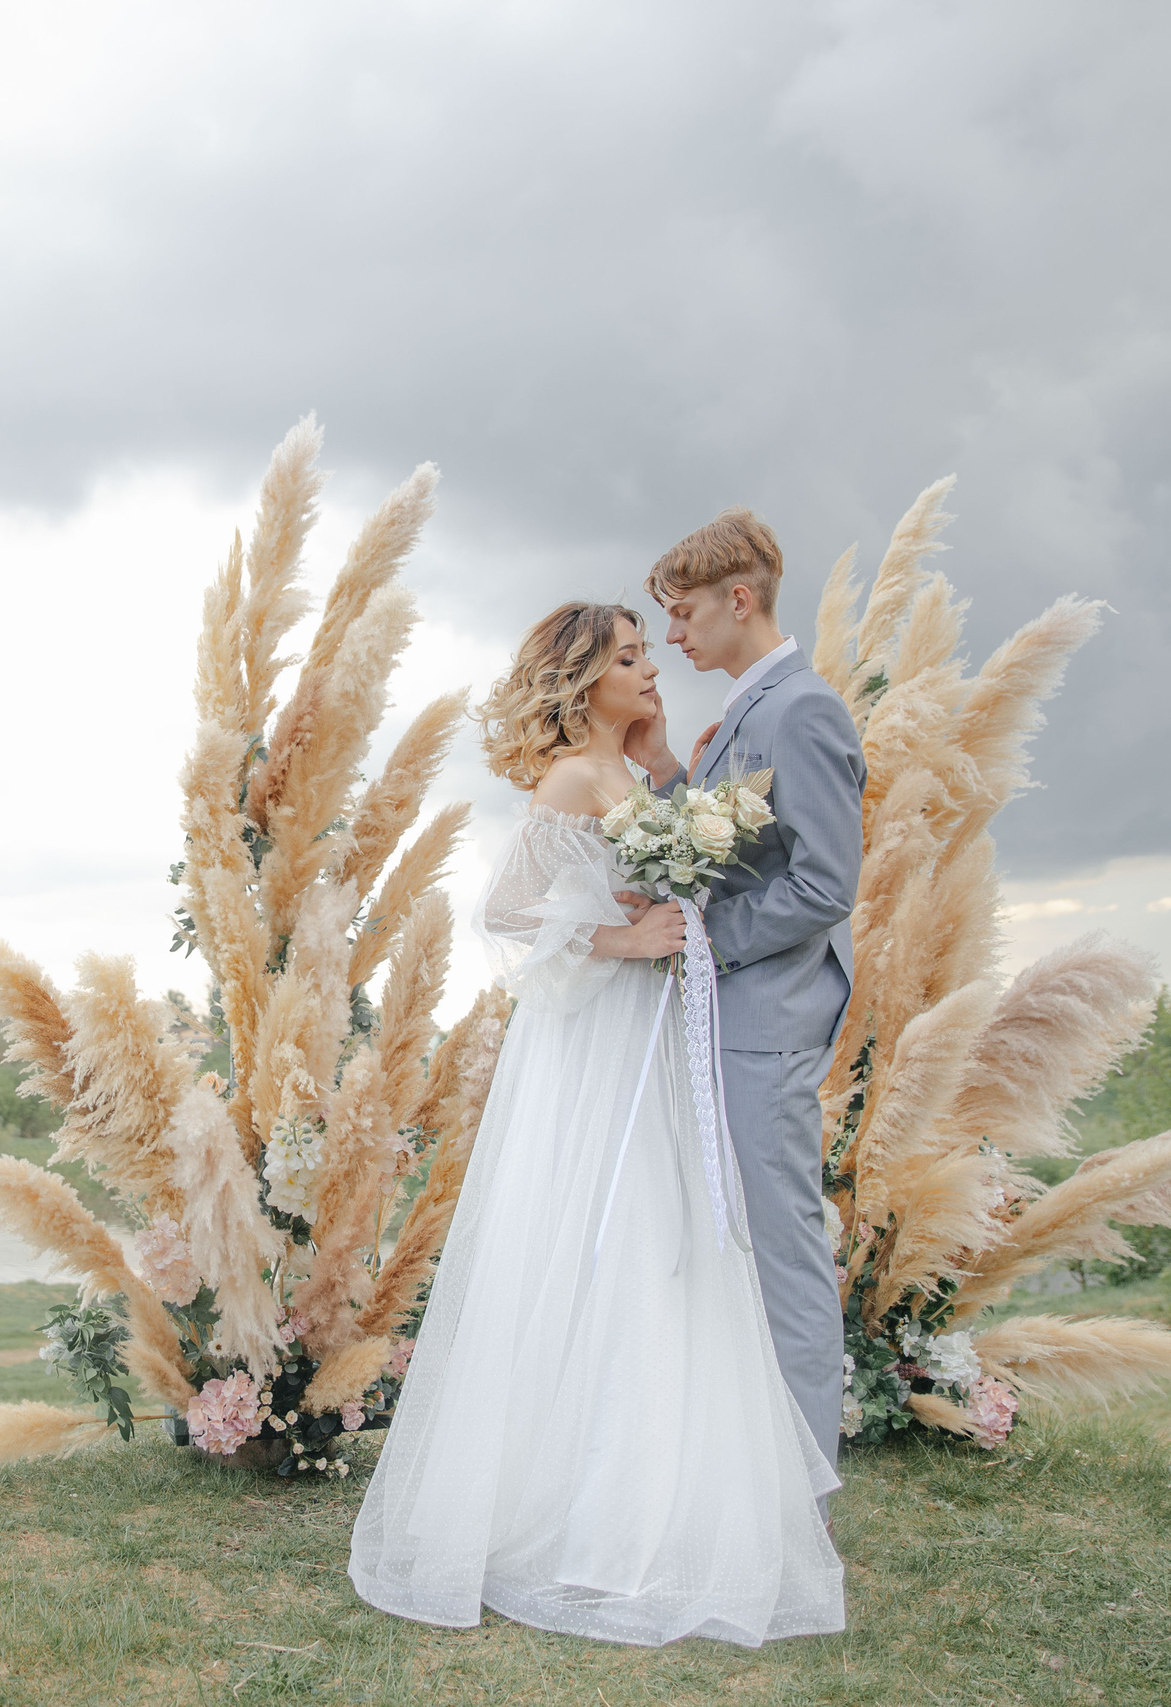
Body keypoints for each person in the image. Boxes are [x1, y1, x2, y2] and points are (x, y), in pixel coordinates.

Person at [347, 601, 843, 1648]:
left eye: (648, 650)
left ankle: (645, 1493)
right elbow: (506, 916)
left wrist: (662, 761)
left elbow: (673, 867)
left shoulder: (632, 774)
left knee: (663, 1243)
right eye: (628, 656)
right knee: (601, 1241)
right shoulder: (572, 778)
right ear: (581, 682)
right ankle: (570, 1509)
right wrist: (625, 943)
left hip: (653, 1040)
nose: (650, 664)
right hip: (594, 1043)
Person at [621, 510, 865, 1491]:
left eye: (681, 616)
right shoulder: (751, 713)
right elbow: (730, 847)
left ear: (739, 598)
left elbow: (822, 884)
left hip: (764, 1027)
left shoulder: (801, 710)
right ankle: (748, 1478)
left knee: (784, 1256)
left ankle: (803, 1497)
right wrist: (666, 768)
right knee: (735, 1249)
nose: (672, 638)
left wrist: (697, 943)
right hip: (728, 1022)